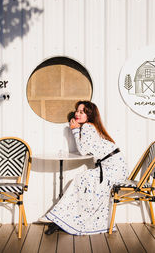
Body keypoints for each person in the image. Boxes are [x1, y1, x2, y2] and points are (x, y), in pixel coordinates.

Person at [43, 100, 128, 235]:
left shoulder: (87, 127)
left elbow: (83, 150)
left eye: (81, 112)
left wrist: (75, 130)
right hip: (116, 167)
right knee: (82, 181)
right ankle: (62, 219)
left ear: (89, 115)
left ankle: (61, 219)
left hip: (112, 169)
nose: (77, 114)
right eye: (77, 111)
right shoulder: (93, 126)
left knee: (80, 180)